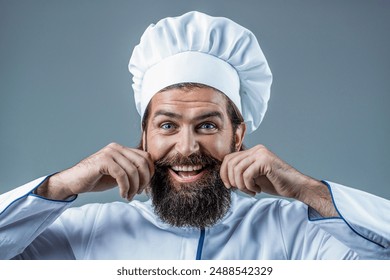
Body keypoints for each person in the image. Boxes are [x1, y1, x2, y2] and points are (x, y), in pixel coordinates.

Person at [0, 11, 389, 260]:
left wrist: (308, 191)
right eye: (167, 126)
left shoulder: (296, 233)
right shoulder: (86, 235)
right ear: (143, 136)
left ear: (238, 136)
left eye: (207, 125)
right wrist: (59, 186)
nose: (186, 148)